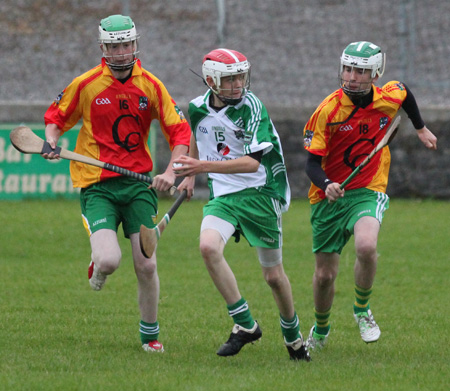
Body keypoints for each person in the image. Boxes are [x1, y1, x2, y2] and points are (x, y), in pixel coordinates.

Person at [41, 15, 191, 353]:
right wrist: (52, 142)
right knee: (110, 260)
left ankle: (149, 336)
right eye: (114, 46)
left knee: (146, 263)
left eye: (126, 44)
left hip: (139, 187)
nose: (122, 52)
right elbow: (56, 119)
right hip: (98, 185)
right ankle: (99, 262)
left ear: (135, 44)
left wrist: (170, 172)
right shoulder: (87, 84)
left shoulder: (151, 85)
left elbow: (179, 131)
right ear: (103, 48)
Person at [174, 48, 310, 361]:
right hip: (224, 194)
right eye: (229, 78)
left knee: (274, 277)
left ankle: (293, 339)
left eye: (240, 76)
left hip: (261, 192)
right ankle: (245, 324)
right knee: (208, 247)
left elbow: (251, 164)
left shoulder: (252, 107)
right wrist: (189, 175)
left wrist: (200, 168)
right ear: (211, 80)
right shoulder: (196, 107)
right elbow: (197, 134)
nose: (238, 84)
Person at [302, 41, 437, 351]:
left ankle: (362, 311)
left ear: (375, 73)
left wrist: (421, 128)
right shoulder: (327, 111)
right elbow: (310, 163)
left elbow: (404, 92)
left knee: (366, 245)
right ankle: (321, 329)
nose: (352, 76)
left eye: (361, 71)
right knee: (324, 276)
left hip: (368, 187)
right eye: (348, 69)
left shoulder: (387, 97)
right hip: (328, 198)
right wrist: (327, 184)